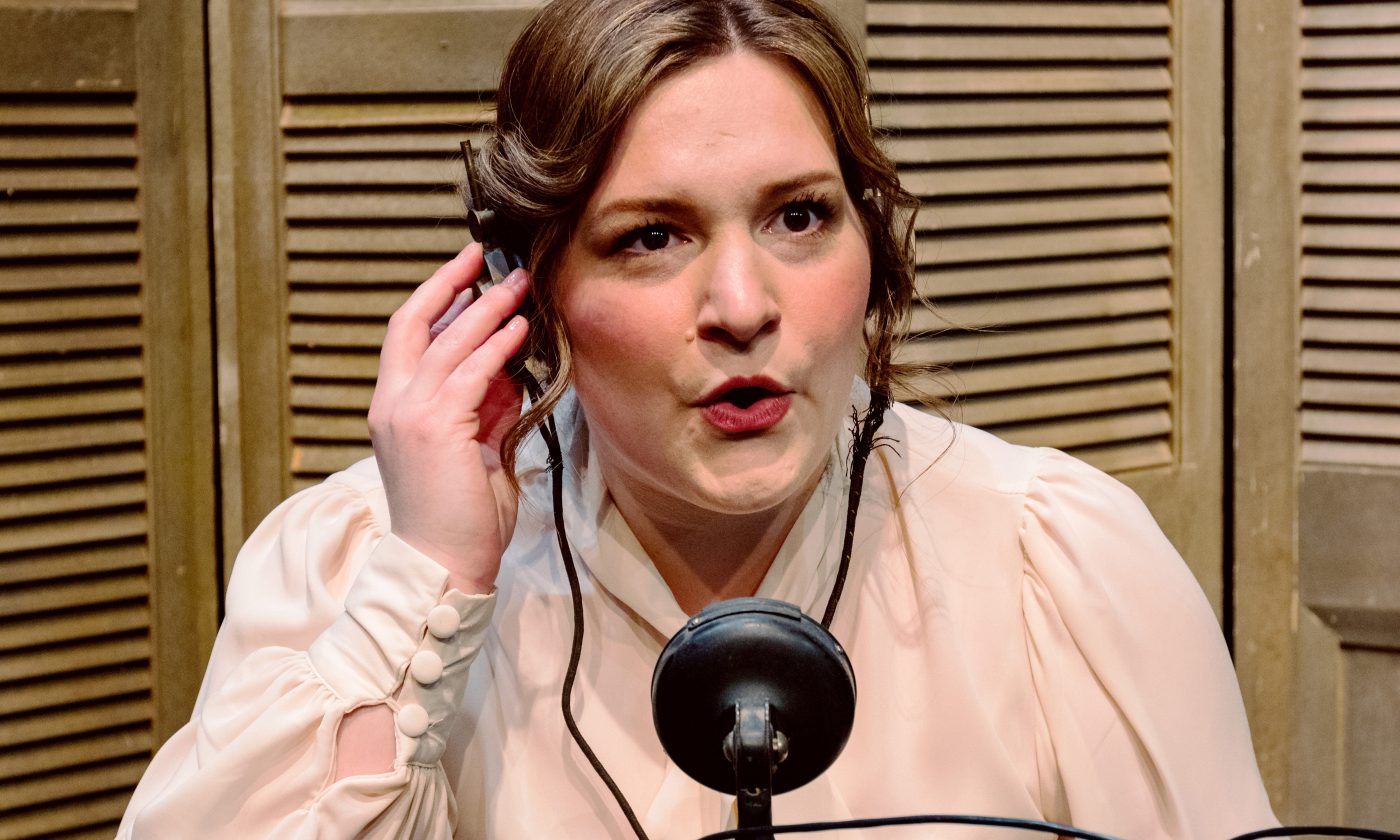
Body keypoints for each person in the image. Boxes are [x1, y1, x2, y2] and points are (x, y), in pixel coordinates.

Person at [118, 0, 1278, 837]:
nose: (741, 307)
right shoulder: (352, 567)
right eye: (650, 237)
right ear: (527, 291)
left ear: (871, 245)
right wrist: (425, 590)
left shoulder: (1056, 567)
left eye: (797, 217)